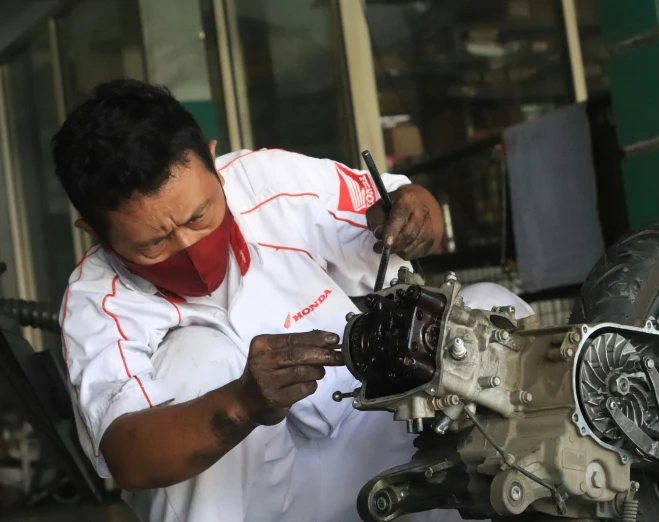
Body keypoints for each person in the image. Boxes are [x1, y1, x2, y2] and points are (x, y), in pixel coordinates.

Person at [53, 79, 531, 522]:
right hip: (262, 505)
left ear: (214, 164)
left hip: (377, 440)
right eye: (152, 243)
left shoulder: (265, 181)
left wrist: (415, 217)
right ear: (94, 233)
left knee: (489, 309)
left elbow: (408, 200)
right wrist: (241, 403)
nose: (189, 249)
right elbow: (128, 455)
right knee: (195, 361)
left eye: (200, 215)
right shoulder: (98, 300)